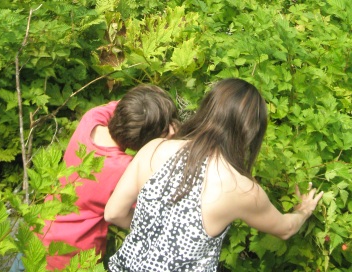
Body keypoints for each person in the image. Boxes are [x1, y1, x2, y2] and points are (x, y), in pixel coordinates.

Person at [104, 78, 324, 271]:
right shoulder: (241, 189)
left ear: (206, 109)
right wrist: (304, 210)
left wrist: (151, 232)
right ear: (251, 132)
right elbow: (286, 229)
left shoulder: (154, 148)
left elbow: (113, 213)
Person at [36, 84, 180, 270]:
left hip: (40, 229)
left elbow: (127, 109)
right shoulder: (124, 169)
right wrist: (168, 143)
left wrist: (148, 105)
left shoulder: (91, 119)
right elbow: (142, 213)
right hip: (74, 255)